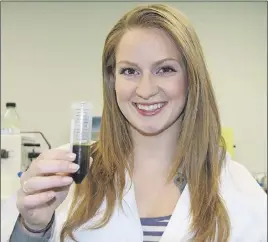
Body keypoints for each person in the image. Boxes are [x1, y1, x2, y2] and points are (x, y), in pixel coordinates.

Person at [2, 3, 266, 242]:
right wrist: (32, 228)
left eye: (165, 69)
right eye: (130, 71)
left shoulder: (238, 189)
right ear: (112, 80)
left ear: (191, 79)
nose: (145, 89)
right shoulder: (63, 173)